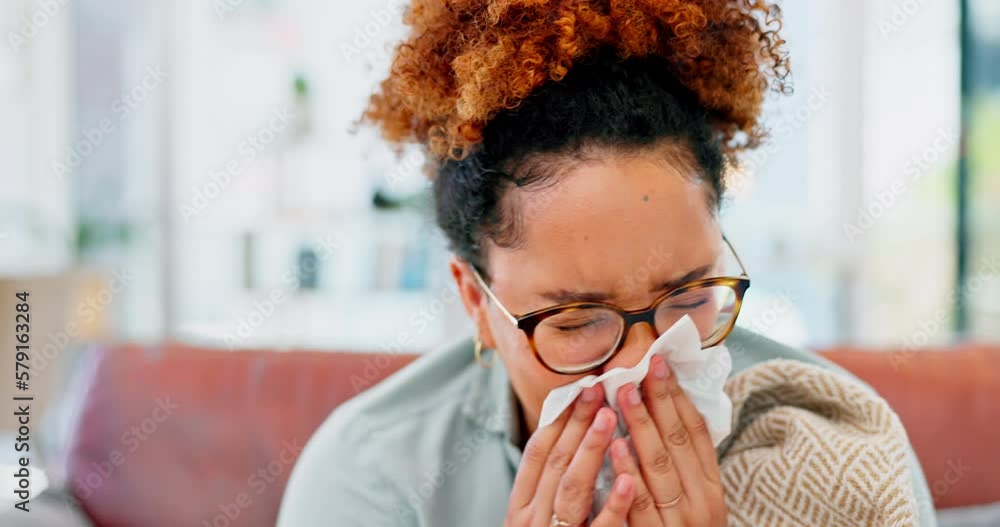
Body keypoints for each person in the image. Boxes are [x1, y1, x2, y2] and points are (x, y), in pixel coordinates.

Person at [278, 1, 935, 525]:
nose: (642, 364)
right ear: (477, 302)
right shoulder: (370, 480)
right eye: (576, 320)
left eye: (688, 295)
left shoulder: (841, 446)